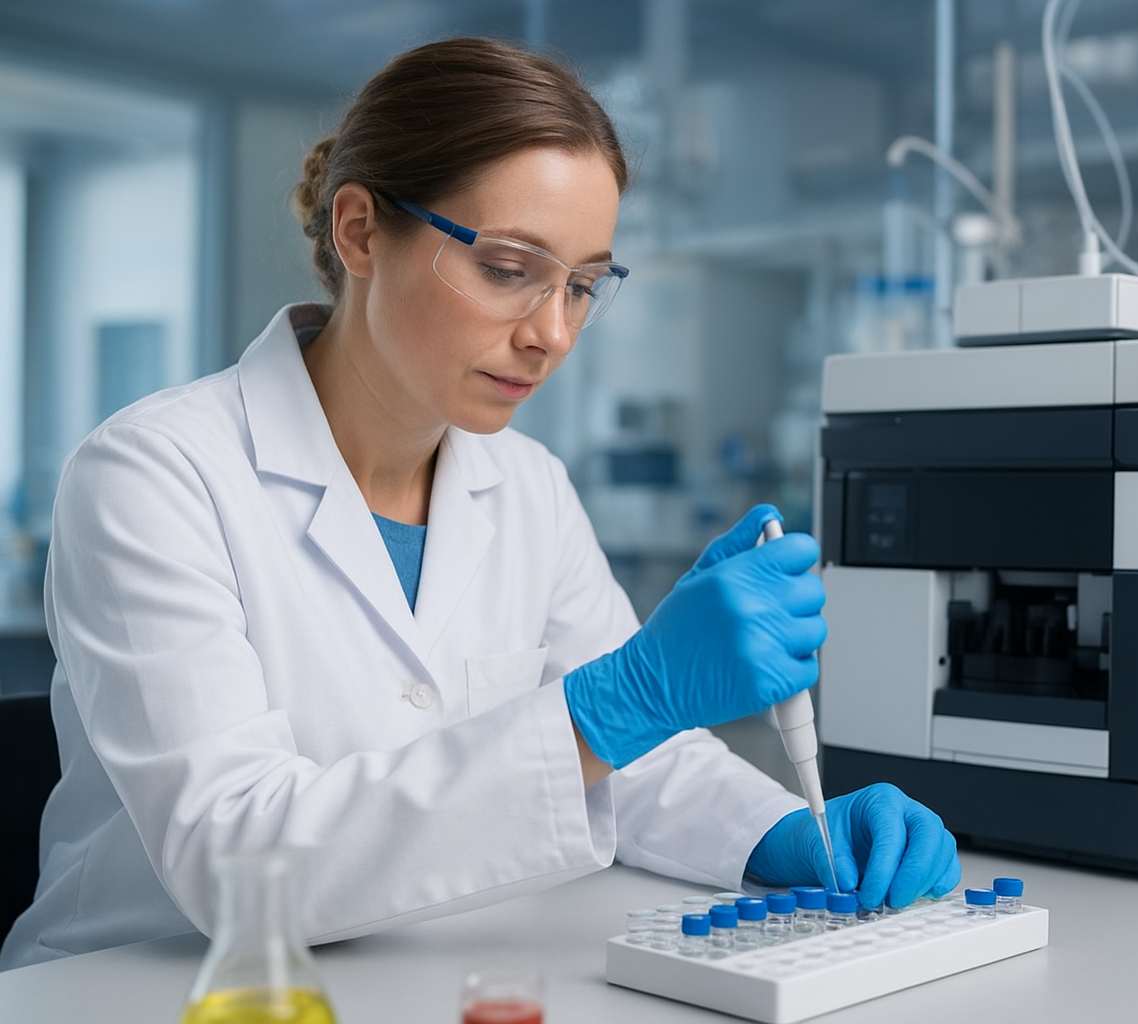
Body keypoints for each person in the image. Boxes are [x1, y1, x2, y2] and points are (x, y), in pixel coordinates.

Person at [0, 37, 959, 971]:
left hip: (418, 974)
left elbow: (635, 766)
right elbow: (235, 854)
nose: (552, 334)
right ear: (360, 230)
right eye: (509, 268)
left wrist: (790, 829)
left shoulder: (529, 487)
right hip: (140, 988)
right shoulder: (153, 476)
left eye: (583, 284)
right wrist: (623, 695)